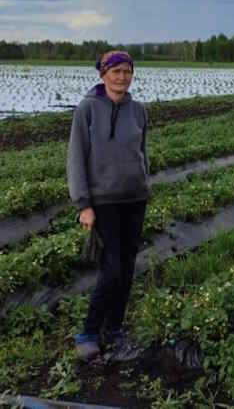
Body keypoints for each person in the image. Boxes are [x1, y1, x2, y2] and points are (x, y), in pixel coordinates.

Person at [68, 50, 150, 361]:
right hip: (103, 201)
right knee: (112, 267)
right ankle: (88, 332)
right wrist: (83, 203)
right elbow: (76, 158)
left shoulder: (138, 110)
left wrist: (145, 182)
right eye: (115, 71)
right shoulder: (87, 109)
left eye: (127, 71)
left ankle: (114, 329)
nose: (122, 77)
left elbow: (143, 151)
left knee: (128, 267)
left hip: (134, 198)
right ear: (103, 74)